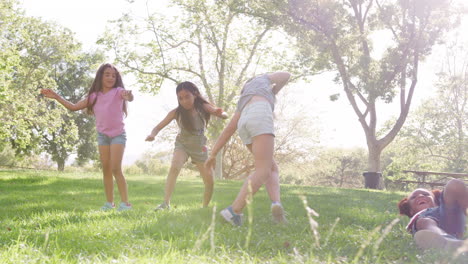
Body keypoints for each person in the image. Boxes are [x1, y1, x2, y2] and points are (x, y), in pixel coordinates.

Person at [41, 63, 134, 211]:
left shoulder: (118, 91)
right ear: (100, 76)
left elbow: (129, 97)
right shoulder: (94, 96)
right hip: (103, 136)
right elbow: (73, 107)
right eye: (107, 74)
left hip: (118, 135)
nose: (110, 77)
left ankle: (125, 204)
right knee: (106, 169)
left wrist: (128, 95)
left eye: (113, 75)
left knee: (116, 168)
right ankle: (109, 204)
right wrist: (56, 96)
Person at [205, 71, 291, 226]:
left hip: (244, 123)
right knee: (263, 170)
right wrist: (273, 91)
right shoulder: (262, 80)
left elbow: (229, 129)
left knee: (271, 168)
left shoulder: (243, 101)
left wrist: (213, 153)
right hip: (260, 114)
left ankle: (276, 205)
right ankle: (233, 211)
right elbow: (286, 75)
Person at [145, 81, 228, 210]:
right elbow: (158, 127)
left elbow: (218, 112)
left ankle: (204, 208)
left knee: (210, 181)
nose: (184, 101)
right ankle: (165, 203)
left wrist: (222, 114)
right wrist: (152, 134)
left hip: (199, 147)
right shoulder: (176, 112)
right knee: (174, 167)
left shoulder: (203, 107)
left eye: (187, 96)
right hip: (182, 144)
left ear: (194, 94)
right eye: (180, 98)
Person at [398, 179, 467, 250]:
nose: (420, 196)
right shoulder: (420, 216)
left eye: (426, 194)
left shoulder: (442, 208)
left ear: (436, 202)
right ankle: (446, 240)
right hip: (429, 222)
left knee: (455, 184)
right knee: (425, 221)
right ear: (411, 210)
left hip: (449, 218)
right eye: (413, 197)